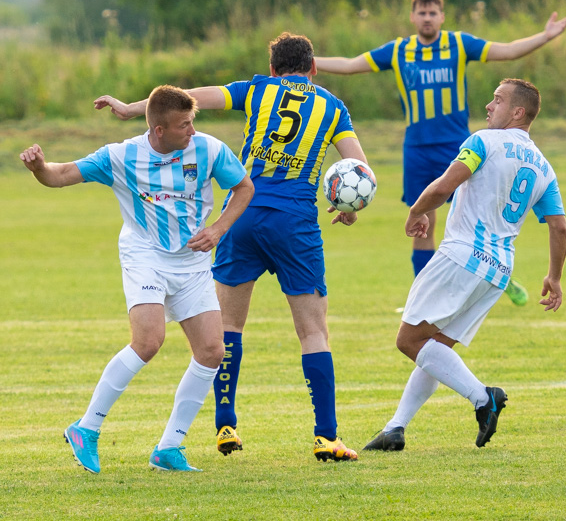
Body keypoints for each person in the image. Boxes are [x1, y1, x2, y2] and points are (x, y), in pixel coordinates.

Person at [94, 32, 369, 462]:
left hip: (241, 215)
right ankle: (326, 436)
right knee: (313, 330)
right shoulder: (333, 107)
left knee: (228, 327)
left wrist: (132, 109)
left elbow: (192, 97)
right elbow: (358, 167)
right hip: (295, 222)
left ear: (274, 69)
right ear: (313, 69)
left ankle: (225, 425)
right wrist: (347, 203)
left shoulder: (258, 89)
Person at [20, 85, 254, 473]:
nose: (192, 131)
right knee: (148, 341)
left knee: (213, 351)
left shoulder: (209, 149)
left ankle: (168, 448)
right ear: (159, 130)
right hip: (145, 255)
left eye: (193, 122)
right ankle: (86, 428)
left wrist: (219, 228)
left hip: (192, 262)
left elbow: (244, 187)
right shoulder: (121, 156)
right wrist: (39, 169)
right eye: (184, 126)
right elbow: (60, 175)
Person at [315, 0, 566, 306]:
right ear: (413, 18)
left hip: (458, 145)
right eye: (421, 13)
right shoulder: (399, 49)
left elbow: (507, 51)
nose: (427, 18)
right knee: (425, 220)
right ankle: (422, 296)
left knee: (473, 214)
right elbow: (351, 64)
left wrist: (544, 37)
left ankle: (492, 272)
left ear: (442, 16)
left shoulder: (459, 44)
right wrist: (306, 63)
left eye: (433, 12)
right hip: (417, 148)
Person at [363, 78, 566, 451]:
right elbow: (559, 226)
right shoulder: (544, 167)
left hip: (462, 255)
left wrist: (417, 211)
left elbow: (444, 185)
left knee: (409, 340)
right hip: (498, 271)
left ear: (518, 112)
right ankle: (395, 428)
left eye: (498, 100)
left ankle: (482, 397)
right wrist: (554, 277)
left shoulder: (483, 142)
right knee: (438, 346)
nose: (489, 106)